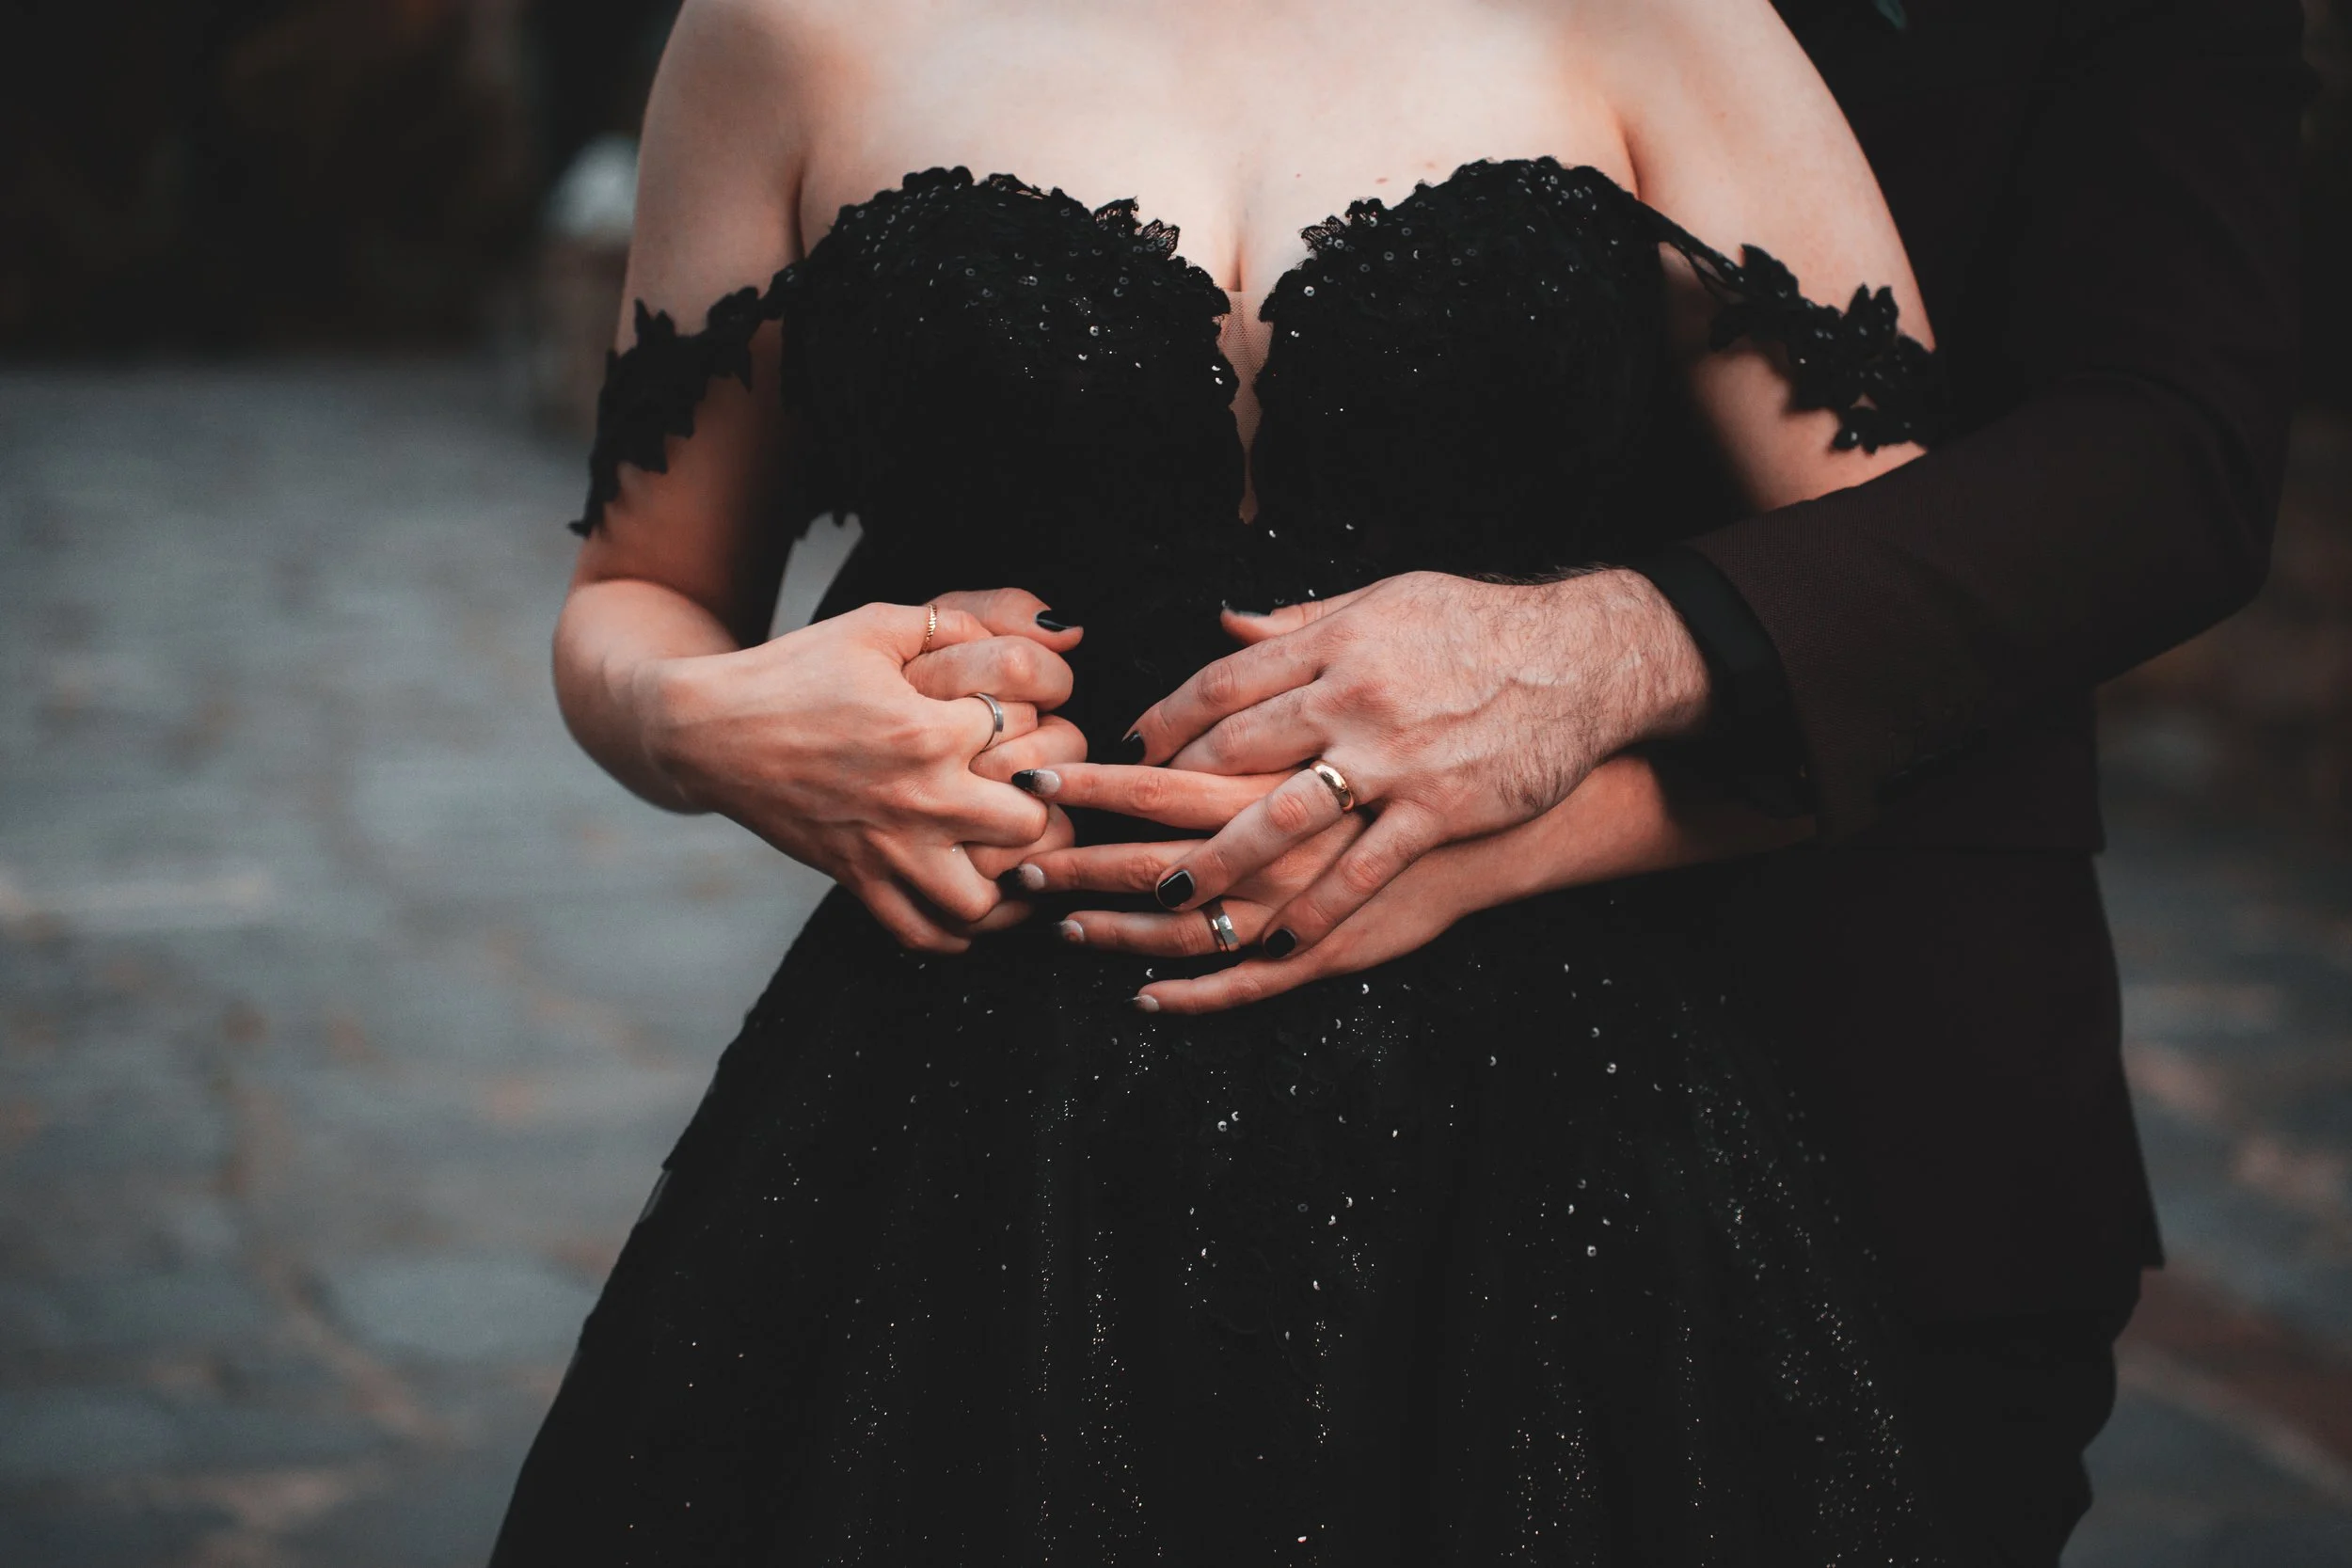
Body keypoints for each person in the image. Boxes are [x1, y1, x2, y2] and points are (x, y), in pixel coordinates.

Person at [488, 0, 2305, 1562]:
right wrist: (713, 723)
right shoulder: (785, 31)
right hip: (948, 1136)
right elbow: (643, 591)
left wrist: (1532, 808)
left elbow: (1909, 630)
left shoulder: (1664, 26)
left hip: (1549, 1134)